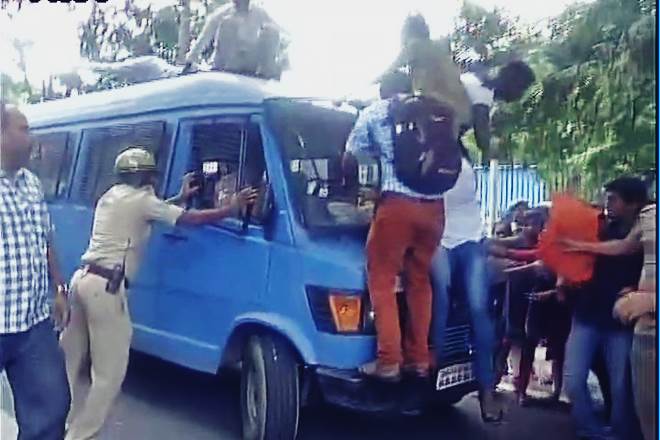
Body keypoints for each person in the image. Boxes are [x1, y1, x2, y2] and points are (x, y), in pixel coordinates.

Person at [61, 148, 258, 440]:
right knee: (109, 374)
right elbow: (187, 220)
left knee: (70, 360)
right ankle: (80, 436)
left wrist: (180, 197)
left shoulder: (110, 195)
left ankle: (59, 423)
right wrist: (231, 208)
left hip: (82, 280)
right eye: (151, 174)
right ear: (144, 176)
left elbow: (149, 210)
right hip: (106, 290)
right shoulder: (143, 201)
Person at [343, 84, 445, 385]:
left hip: (397, 207)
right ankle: (419, 359)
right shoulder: (430, 108)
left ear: (384, 91)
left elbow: (350, 156)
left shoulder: (375, 113)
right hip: (435, 208)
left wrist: (353, 183)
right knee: (420, 281)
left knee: (382, 279)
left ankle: (389, 361)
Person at [0, 103, 71, 440]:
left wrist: (59, 289)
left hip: (32, 325)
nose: (32, 137)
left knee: (53, 407)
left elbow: (46, 240)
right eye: (24, 129)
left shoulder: (30, 183)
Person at [562, 177, 647, 440]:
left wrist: (635, 290)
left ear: (632, 204)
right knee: (573, 379)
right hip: (587, 314)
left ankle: (620, 433)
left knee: (621, 386)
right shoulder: (597, 226)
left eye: (614, 199)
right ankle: (592, 431)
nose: (607, 203)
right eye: (607, 197)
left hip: (619, 321)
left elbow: (625, 251)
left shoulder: (646, 233)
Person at [379, 14, 471, 138]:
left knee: (397, 110)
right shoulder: (438, 47)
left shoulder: (414, 45)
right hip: (463, 110)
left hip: (437, 105)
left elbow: (389, 71)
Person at [184, 0, 284, 79]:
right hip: (227, 63)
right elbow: (204, 39)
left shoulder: (260, 13)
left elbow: (280, 33)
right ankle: (225, 70)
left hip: (249, 63)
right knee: (229, 23)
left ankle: (267, 73)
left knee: (271, 30)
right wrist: (191, 60)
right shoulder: (222, 14)